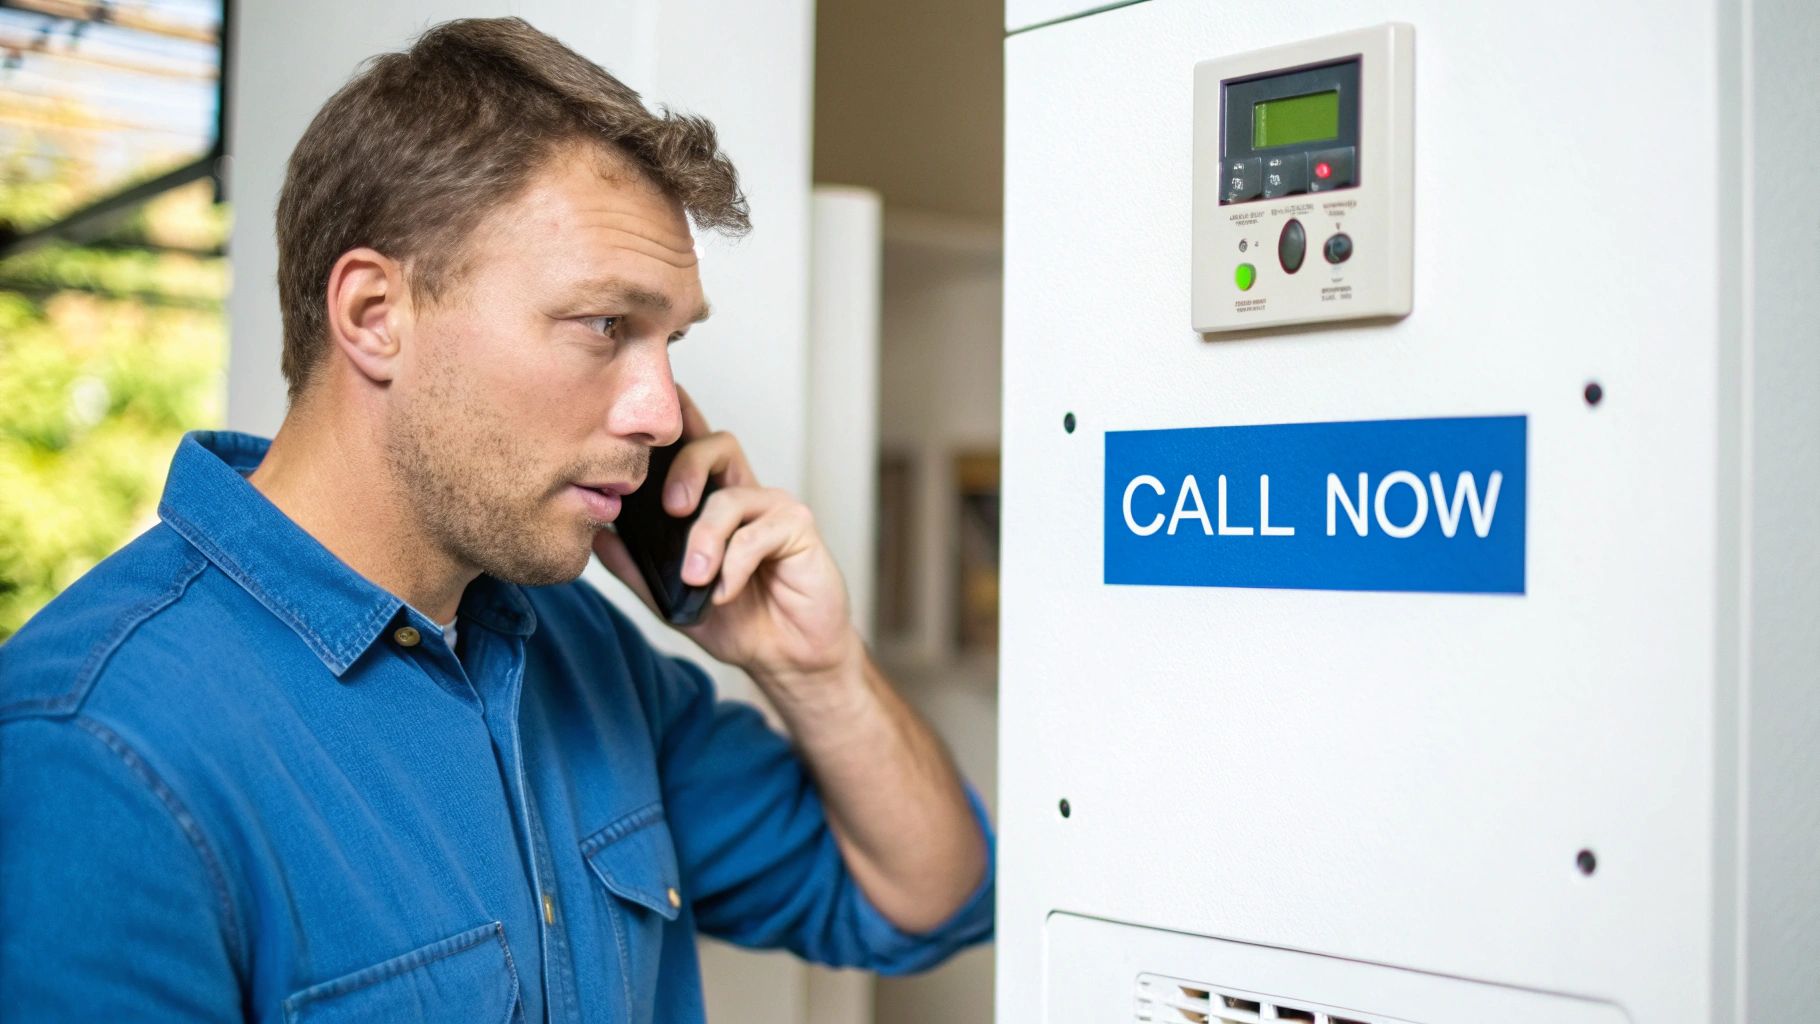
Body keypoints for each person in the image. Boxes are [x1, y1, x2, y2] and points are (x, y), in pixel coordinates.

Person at [0, 17, 992, 1022]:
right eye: (606, 325)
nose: (660, 412)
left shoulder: (577, 648)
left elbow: (925, 899)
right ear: (376, 314)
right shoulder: (92, 751)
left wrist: (811, 670)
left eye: (668, 341)